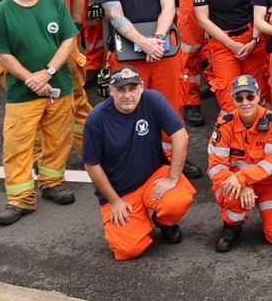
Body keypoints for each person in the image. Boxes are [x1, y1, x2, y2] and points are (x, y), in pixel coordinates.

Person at [0, 0, 80, 227]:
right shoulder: (3, 10)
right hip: (23, 92)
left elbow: (68, 39)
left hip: (58, 85)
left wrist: (48, 72)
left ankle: (52, 182)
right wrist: (32, 80)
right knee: (17, 145)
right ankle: (20, 199)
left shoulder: (54, 0)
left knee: (58, 138)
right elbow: (2, 54)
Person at [81, 66, 194, 259]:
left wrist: (172, 178)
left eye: (132, 89)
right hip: (121, 192)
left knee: (178, 200)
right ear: (111, 90)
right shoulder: (96, 119)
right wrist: (114, 201)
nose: (127, 95)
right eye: (121, 90)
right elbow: (92, 165)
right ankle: (139, 222)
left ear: (141, 88)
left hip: (153, 176)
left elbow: (180, 136)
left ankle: (164, 222)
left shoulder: (153, 99)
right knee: (127, 250)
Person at [206, 74, 272, 252]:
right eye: (239, 98)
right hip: (234, 184)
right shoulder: (224, 125)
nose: (245, 102)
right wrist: (242, 183)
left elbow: (271, 163)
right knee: (231, 193)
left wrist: (243, 179)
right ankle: (232, 226)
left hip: (269, 183)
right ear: (233, 99)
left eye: (250, 97)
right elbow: (215, 166)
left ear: (259, 96)